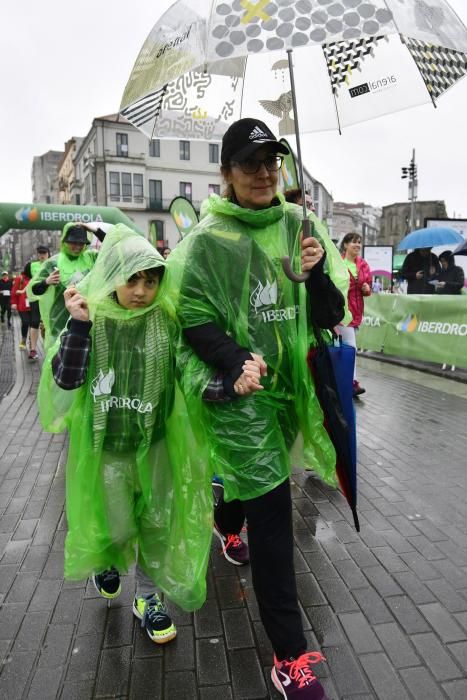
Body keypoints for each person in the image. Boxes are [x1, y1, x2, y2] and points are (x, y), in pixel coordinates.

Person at [169, 117, 349, 699]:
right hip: (243, 393)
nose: (265, 172)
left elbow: (326, 315)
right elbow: (191, 314)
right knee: (274, 519)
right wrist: (234, 358)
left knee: (250, 495)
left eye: (273, 160)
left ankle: (226, 516)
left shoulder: (300, 225)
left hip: (289, 391)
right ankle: (290, 656)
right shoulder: (205, 241)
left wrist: (317, 269)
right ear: (226, 173)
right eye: (250, 163)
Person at [38, 224, 212, 644]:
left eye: (150, 281)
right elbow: (66, 380)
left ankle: (149, 599)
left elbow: (190, 369)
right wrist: (78, 328)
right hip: (109, 450)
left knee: (156, 524)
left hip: (153, 446)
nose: (140, 291)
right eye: (131, 279)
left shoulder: (166, 321)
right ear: (111, 276)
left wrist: (223, 386)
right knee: (116, 528)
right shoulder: (92, 320)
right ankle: (108, 558)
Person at [27, 224, 98, 352]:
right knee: (59, 359)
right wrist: (46, 282)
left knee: (84, 357)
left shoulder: (92, 258)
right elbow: (34, 289)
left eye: (81, 243)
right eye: (73, 242)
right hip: (60, 322)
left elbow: (113, 251)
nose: (77, 247)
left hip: (87, 318)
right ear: (65, 241)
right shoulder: (53, 263)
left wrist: (95, 231)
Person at [339, 233, 372, 398]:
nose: (357, 245)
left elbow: (368, 286)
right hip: (342, 312)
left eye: (359, 242)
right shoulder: (337, 262)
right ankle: (352, 383)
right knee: (351, 347)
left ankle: (342, 381)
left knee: (345, 348)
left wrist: (366, 289)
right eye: (353, 242)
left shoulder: (363, 264)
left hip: (357, 312)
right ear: (345, 245)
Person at [26, 245, 51, 359]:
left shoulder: (53, 264)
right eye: (40, 253)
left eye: (44, 253)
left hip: (50, 298)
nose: (42, 255)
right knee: (35, 321)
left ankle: (49, 347)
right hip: (35, 297)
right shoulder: (31, 265)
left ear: (48, 254)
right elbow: (26, 278)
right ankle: (33, 349)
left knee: (49, 323)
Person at [11, 265, 32, 350]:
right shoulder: (20, 279)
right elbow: (13, 291)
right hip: (22, 306)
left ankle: (31, 341)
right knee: (25, 322)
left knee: (33, 324)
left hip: (33, 306)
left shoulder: (35, 278)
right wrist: (13, 303)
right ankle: (23, 340)